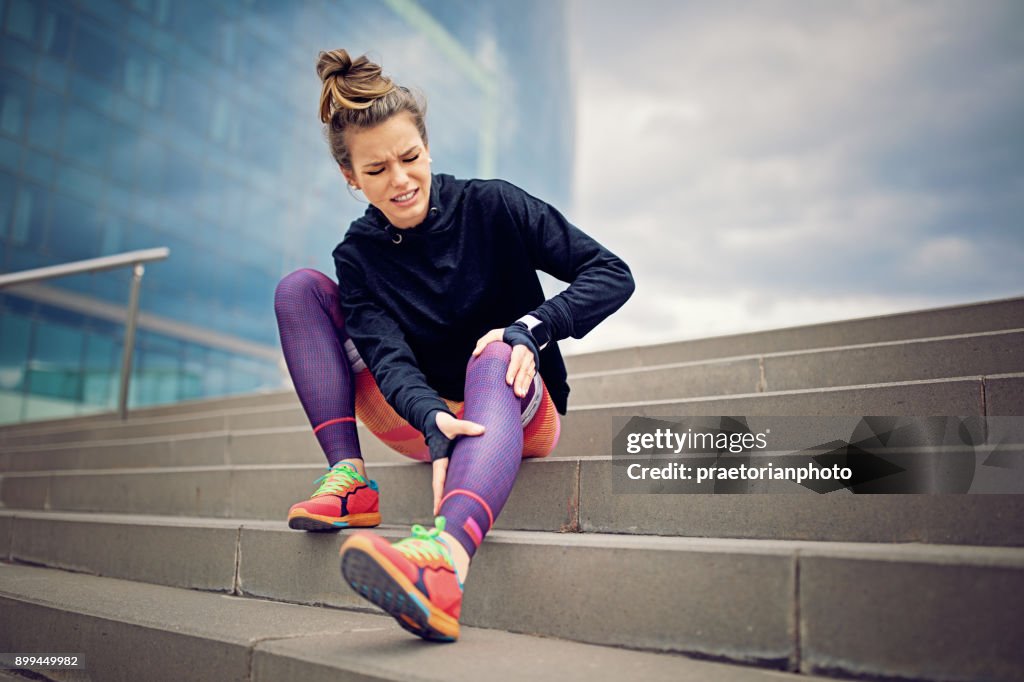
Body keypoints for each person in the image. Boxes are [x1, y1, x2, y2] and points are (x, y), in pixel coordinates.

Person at [273, 48, 634, 642]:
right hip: (425, 419)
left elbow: (611, 272)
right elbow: (384, 354)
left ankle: (444, 560)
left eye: (410, 157)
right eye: (376, 171)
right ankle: (349, 480)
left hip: (514, 405)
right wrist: (429, 416)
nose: (400, 180)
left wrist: (533, 327)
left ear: (428, 146)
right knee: (300, 291)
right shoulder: (357, 254)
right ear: (350, 177)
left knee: (492, 352)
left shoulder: (493, 206)